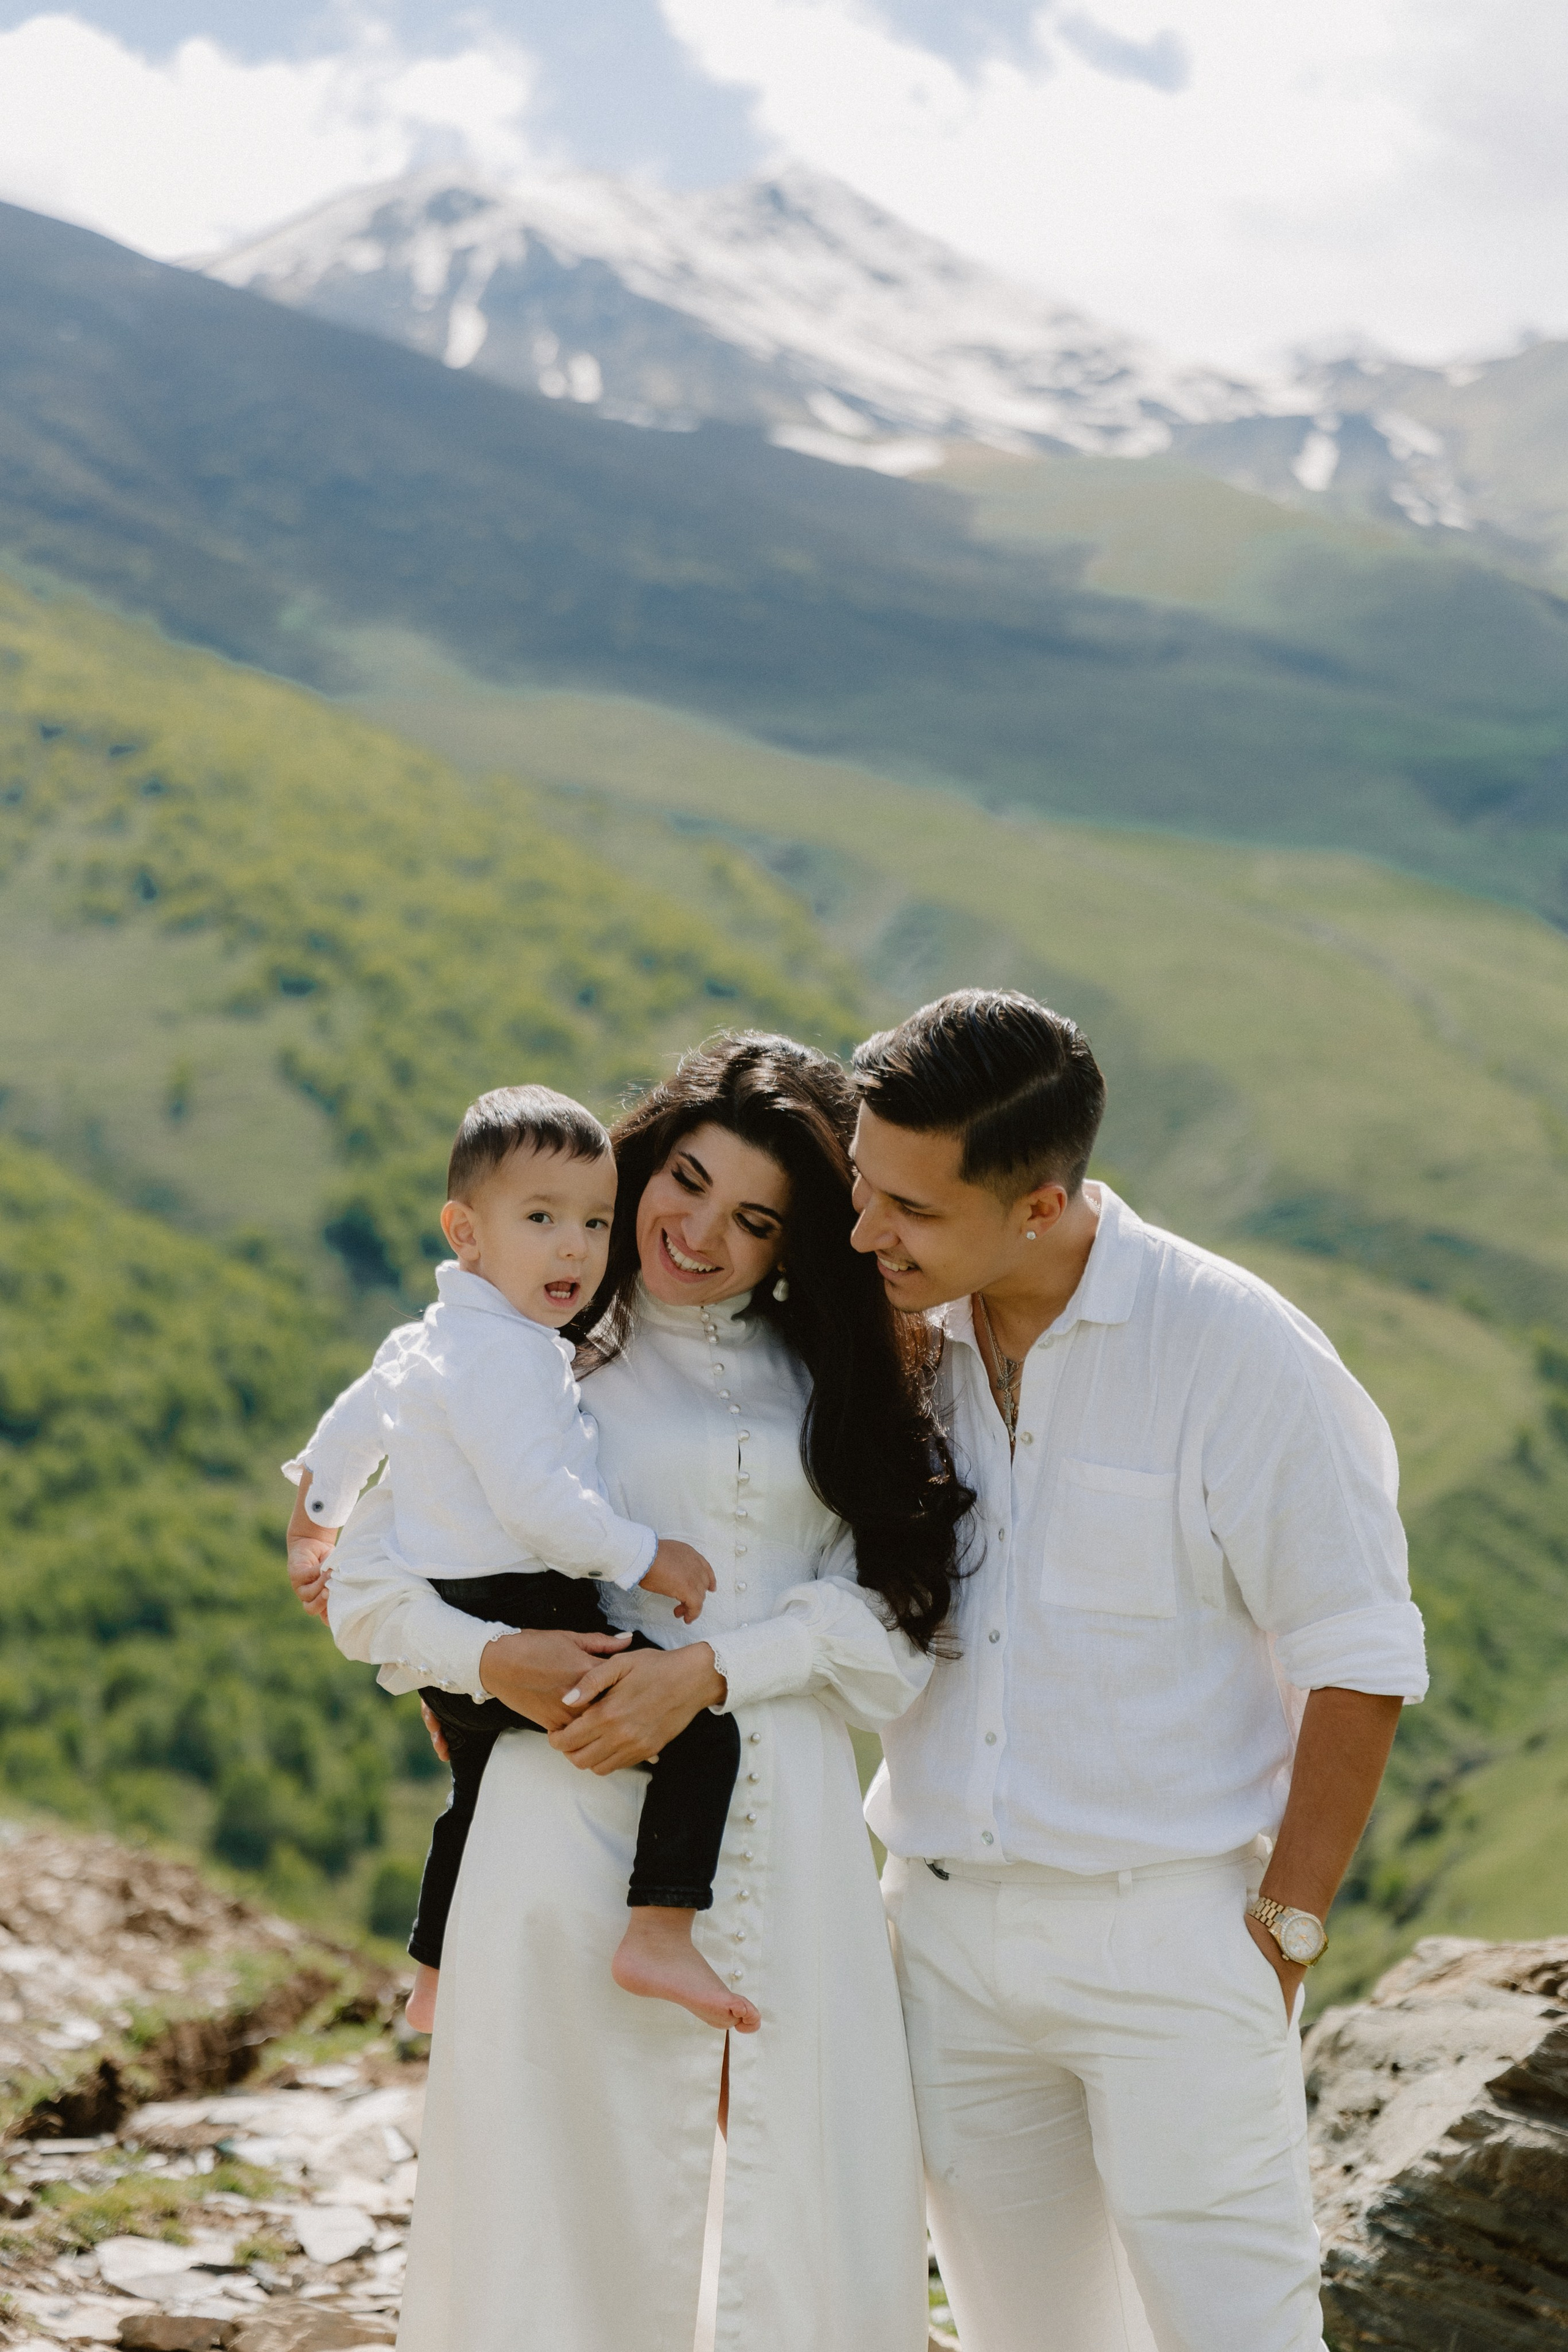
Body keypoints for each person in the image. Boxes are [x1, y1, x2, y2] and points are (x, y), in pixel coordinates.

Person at [292, 1035, 972, 2352]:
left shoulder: (838, 1386)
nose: (700, 1234)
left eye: (755, 1219)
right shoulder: (524, 1355)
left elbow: (891, 1640)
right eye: (687, 1183)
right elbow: (370, 1592)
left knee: (802, 2202)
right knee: (558, 2204)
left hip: (790, 1839)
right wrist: (496, 1662)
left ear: (796, 1247)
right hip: (563, 1819)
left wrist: (712, 1669)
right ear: (642, 1161)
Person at [846, 989, 1430, 2352]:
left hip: (1169, 1932)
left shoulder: (1237, 1351)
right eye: (862, 1189)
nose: (866, 1233)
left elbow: (1358, 1656)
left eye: (908, 1210)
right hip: (936, 1934)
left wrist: (1281, 1934)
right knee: (1026, 2339)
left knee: (1238, 2334)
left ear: (1038, 1207)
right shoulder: (891, 1336)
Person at [282, 1083, 750, 2037]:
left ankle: (433, 1977)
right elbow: (540, 1509)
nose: (574, 1247)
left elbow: (349, 1429)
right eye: (540, 1218)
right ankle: (659, 1933)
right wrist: (648, 1555)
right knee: (702, 1736)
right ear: (467, 1231)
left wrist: (314, 1522)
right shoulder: (514, 1354)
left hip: (455, 1605)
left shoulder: (425, 1340)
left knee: (473, 1788)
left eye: (594, 1220)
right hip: (525, 1597)